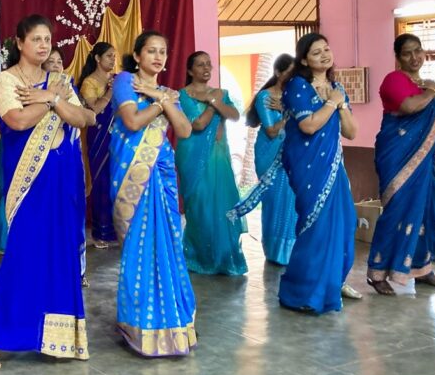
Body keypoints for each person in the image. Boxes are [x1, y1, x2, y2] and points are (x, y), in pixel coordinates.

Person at [0, 16, 93, 370]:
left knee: (61, 254)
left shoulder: (59, 81)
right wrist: (51, 100)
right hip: (28, 182)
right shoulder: (6, 81)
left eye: (47, 39)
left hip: (63, 178)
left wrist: (52, 97)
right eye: (36, 39)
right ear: (19, 42)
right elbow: (17, 120)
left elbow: (85, 118)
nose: (44, 45)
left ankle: (56, 337)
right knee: (23, 253)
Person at [110, 31, 196, 356]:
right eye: (151, 51)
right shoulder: (125, 82)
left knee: (168, 245)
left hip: (162, 175)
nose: (158, 57)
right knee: (139, 248)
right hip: (133, 176)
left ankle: (172, 321)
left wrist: (161, 98)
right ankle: (137, 323)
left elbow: (184, 129)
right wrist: (160, 103)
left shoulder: (166, 92)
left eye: (163, 51)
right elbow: (132, 122)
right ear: (137, 55)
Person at [366, 34, 435, 295]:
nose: (414, 57)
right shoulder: (394, 80)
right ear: (398, 57)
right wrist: (432, 90)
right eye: (407, 53)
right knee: (397, 211)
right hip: (397, 157)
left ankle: (421, 268)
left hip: (424, 162)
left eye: (418, 51)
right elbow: (409, 106)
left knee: (424, 212)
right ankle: (377, 272)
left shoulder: (430, 86)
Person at [278, 33, 361, 314]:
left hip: (334, 168)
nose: (324, 55)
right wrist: (331, 103)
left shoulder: (337, 88)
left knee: (345, 223)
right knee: (316, 227)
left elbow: (351, 132)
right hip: (308, 168)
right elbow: (309, 125)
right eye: (316, 52)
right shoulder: (297, 86)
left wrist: (340, 102)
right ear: (304, 60)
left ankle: (333, 282)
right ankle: (302, 291)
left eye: (326, 49)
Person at [176, 51, 247, 275]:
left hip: (219, 157)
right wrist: (212, 105)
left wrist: (215, 100)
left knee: (223, 205)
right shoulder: (182, 96)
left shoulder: (220, 93)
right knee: (200, 207)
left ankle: (224, 258)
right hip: (192, 158)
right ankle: (199, 257)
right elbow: (197, 125)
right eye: (200, 65)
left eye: (209, 64)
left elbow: (234, 115)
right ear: (190, 70)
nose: (206, 68)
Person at [242, 54, 297, 266]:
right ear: (277, 72)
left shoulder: (294, 95)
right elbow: (272, 131)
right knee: (274, 200)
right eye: (289, 73)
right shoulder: (265, 96)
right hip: (270, 154)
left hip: (292, 154)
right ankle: (275, 251)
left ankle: (289, 251)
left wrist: (287, 109)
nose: (292, 77)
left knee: (291, 200)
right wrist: (288, 114)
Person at [77, 42, 118, 250]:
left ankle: (118, 230)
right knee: (101, 182)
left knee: (117, 182)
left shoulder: (117, 79)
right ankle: (101, 232)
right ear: (97, 58)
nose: (113, 59)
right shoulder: (89, 82)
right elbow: (94, 109)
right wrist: (110, 92)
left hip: (118, 137)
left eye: (114, 56)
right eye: (109, 56)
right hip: (98, 139)